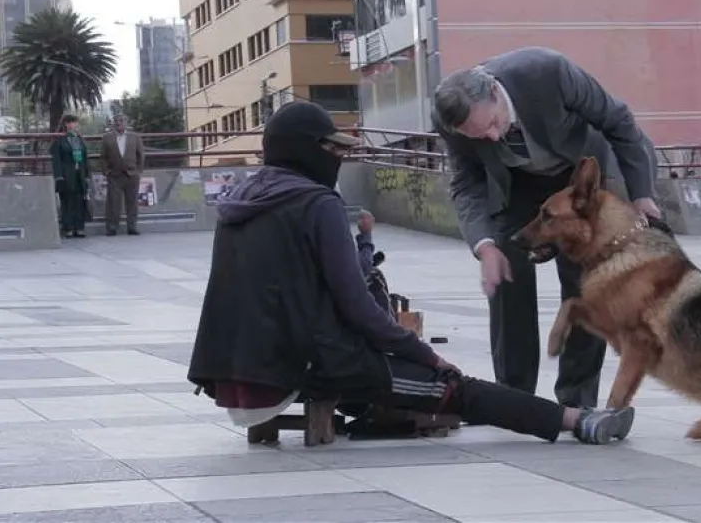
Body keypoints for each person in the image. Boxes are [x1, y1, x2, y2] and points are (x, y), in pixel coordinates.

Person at [187, 100, 635, 445]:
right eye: (330, 149)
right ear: (306, 150)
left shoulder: (239, 201)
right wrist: (425, 355)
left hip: (230, 372)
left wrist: (360, 244)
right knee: (455, 386)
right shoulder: (316, 203)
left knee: (404, 382)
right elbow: (358, 307)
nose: (337, 158)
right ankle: (580, 420)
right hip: (301, 365)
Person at [432, 46, 663, 409]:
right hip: (517, 185)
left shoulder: (547, 73)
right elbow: (465, 184)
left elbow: (618, 122)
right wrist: (485, 247)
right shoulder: (451, 117)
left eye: (493, 124)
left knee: (586, 286)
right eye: (479, 135)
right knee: (506, 276)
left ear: (494, 91)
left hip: (579, 180)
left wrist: (641, 195)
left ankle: (576, 399)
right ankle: (513, 398)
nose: (492, 138)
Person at [100, 115, 145, 236]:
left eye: (121, 121)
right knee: (113, 203)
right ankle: (112, 227)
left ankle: (132, 227)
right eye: (116, 121)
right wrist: (106, 171)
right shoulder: (107, 138)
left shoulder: (135, 137)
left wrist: (138, 171)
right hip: (114, 175)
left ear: (125, 123)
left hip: (132, 174)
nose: (118, 123)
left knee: (132, 202)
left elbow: (141, 155)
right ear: (113, 124)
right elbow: (103, 157)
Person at [50, 114, 90, 238]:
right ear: (65, 124)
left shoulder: (79, 139)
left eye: (74, 122)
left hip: (80, 174)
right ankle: (68, 228)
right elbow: (56, 159)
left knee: (80, 201)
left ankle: (79, 227)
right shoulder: (59, 140)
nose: (72, 125)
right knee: (67, 201)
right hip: (67, 175)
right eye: (69, 122)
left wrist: (87, 175)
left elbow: (85, 158)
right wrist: (59, 176)